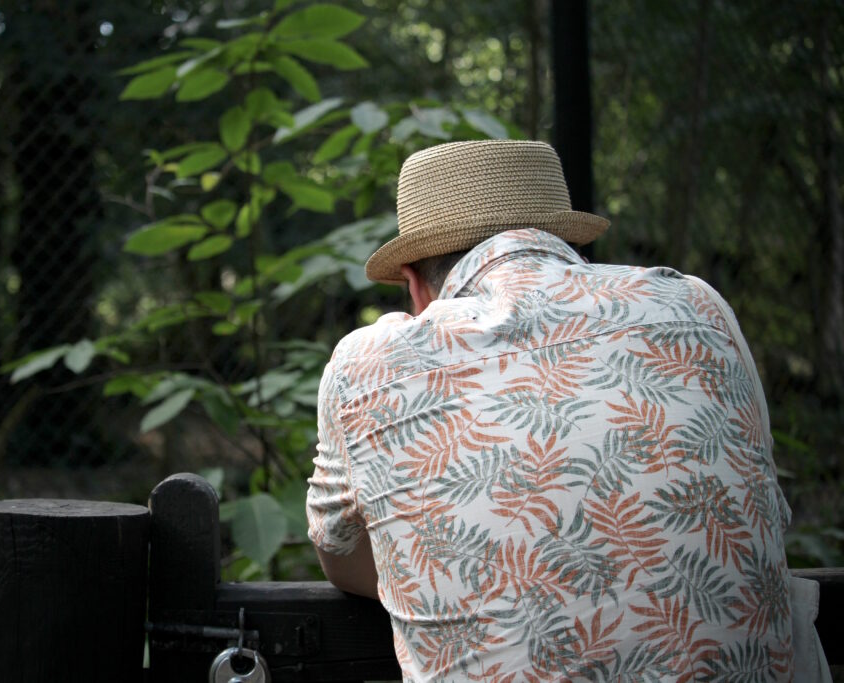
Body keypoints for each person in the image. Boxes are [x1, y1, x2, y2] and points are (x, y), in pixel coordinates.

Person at [305, 140, 795, 681]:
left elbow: (341, 555)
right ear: (571, 246)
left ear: (415, 287)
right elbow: (766, 511)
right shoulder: (698, 307)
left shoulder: (367, 365)